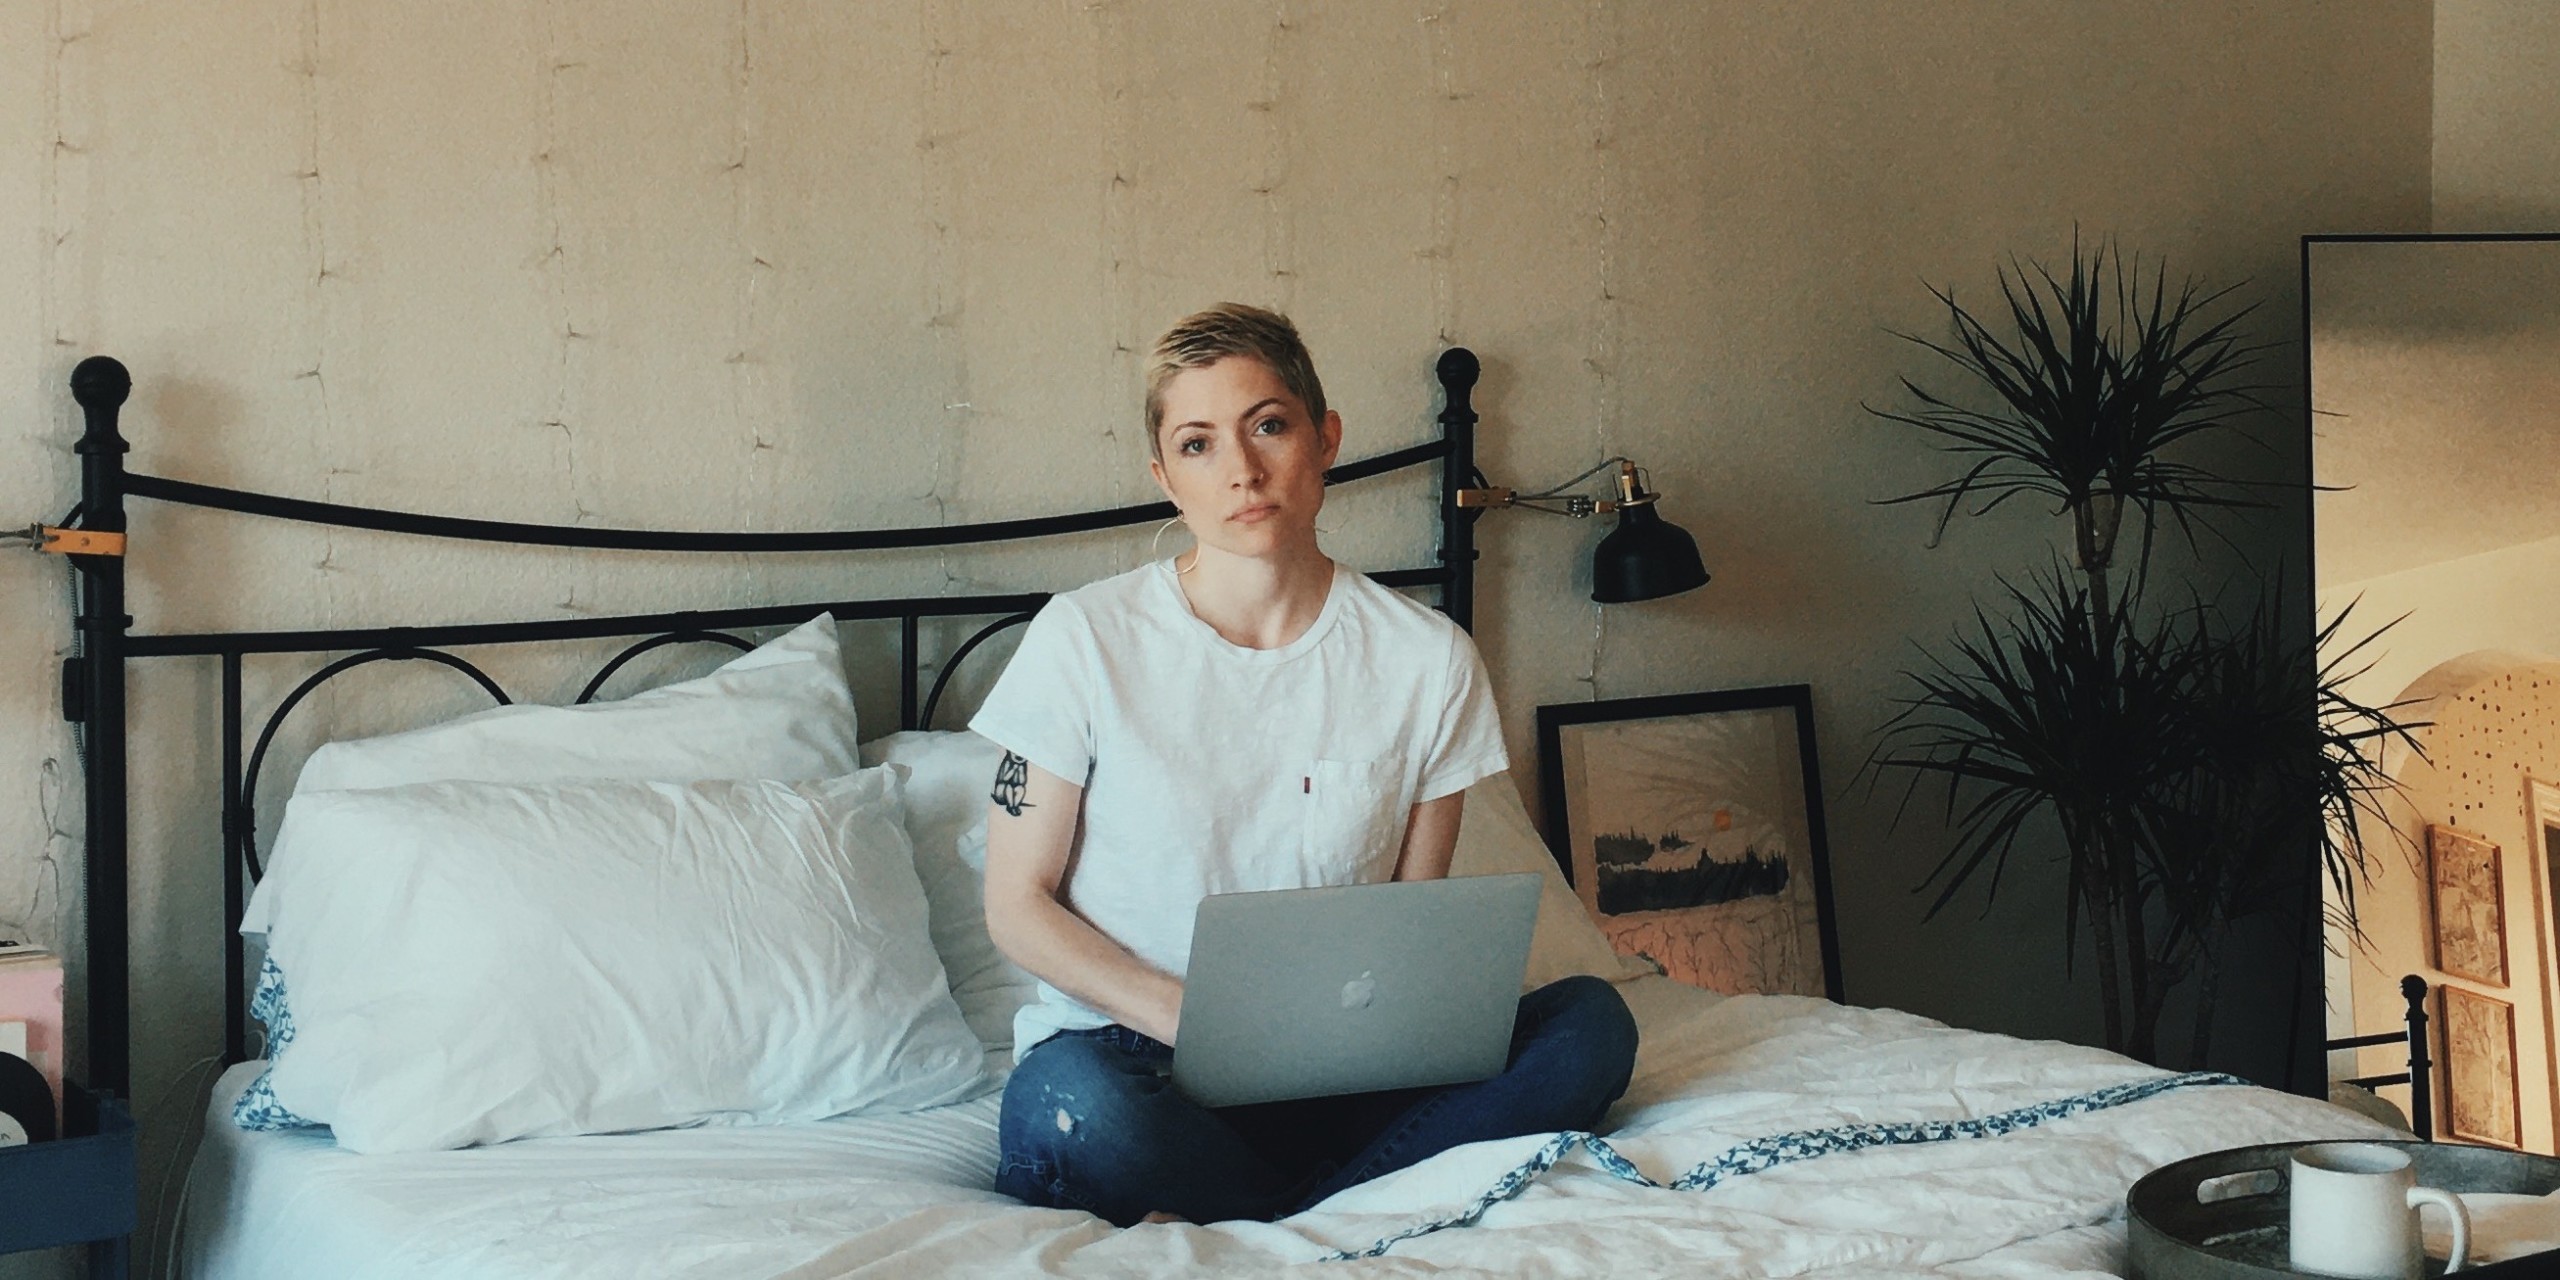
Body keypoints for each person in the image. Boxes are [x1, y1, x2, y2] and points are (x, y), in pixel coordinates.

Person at [971, 303, 1637, 1228]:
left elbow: (1404, 924)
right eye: (1199, 445)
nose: (1241, 470)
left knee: (1590, 1028)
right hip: (1132, 1056)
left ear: (1323, 439)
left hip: (1336, 1063)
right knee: (1078, 1109)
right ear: (1165, 478)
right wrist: (1205, 1026)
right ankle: (1367, 1201)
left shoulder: (1427, 658)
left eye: (1268, 426)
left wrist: (1333, 1047)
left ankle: (1287, 1215)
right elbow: (1017, 906)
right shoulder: (1084, 640)